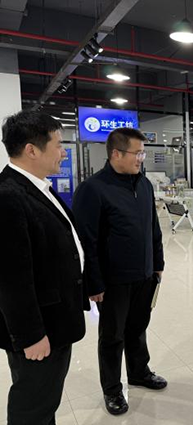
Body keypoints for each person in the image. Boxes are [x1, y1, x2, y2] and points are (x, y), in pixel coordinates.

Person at [0, 111, 88, 424]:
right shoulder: (8, 196)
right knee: (32, 406)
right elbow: (11, 279)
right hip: (40, 331)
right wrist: (31, 336)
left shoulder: (36, 187)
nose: (64, 152)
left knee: (45, 400)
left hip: (55, 320)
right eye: (58, 145)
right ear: (32, 150)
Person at [73, 128, 166, 416]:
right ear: (116, 153)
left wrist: (158, 264)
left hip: (145, 275)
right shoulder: (93, 189)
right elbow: (86, 241)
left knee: (138, 328)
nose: (141, 159)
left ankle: (139, 372)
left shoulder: (144, 184)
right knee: (113, 336)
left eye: (143, 153)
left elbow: (153, 227)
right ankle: (112, 389)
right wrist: (94, 283)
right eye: (137, 153)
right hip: (114, 281)